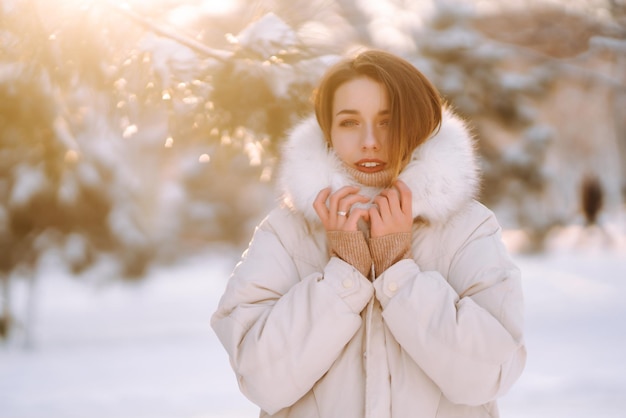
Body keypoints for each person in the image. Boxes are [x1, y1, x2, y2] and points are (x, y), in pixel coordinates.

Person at [211, 49, 526, 418]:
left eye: (388, 121)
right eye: (349, 122)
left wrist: (398, 272)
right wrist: (343, 276)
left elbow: (488, 374)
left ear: (419, 124)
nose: (370, 141)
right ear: (327, 131)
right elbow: (262, 379)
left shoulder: (468, 228)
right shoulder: (284, 233)